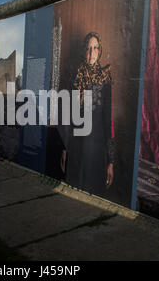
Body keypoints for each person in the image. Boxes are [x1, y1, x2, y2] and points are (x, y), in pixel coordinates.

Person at [59, 32, 116, 196]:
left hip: (97, 151)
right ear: (84, 50)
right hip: (76, 147)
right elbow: (69, 116)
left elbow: (108, 119)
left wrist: (110, 161)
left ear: (100, 50)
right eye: (88, 48)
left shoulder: (105, 78)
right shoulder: (75, 77)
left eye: (95, 48)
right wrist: (65, 148)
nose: (92, 53)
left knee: (92, 198)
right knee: (73, 194)